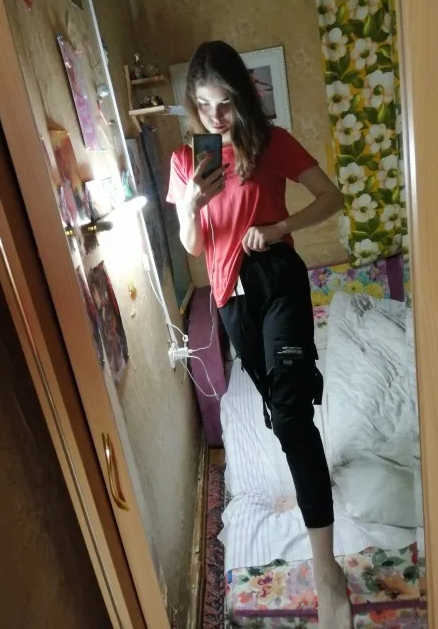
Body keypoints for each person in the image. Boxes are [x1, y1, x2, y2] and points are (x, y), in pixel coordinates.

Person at [167, 40, 351, 629]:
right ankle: (301, 422)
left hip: (276, 278)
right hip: (229, 299)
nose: (215, 117)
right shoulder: (186, 161)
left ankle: (326, 569)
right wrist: (191, 202)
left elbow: (331, 197)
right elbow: (193, 247)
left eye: (224, 103)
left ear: (242, 96)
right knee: (277, 405)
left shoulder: (270, 142)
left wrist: (278, 228)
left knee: (291, 414)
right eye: (203, 105)